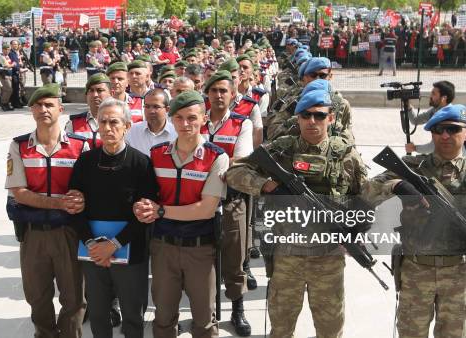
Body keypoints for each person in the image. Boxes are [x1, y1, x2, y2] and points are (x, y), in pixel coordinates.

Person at [226, 88, 368, 338]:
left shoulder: (346, 155)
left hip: (328, 258)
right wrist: (267, 185)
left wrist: (355, 229)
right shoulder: (282, 149)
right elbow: (234, 173)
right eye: (306, 115)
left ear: (331, 118)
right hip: (287, 257)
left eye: (319, 116)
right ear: (298, 118)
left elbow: (365, 199)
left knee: (330, 330)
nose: (312, 121)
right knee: (280, 329)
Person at [362, 104, 466, 338]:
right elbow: (366, 192)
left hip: (459, 273)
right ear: (431, 133)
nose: (445, 135)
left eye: (452, 129)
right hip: (416, 269)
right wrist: (396, 185)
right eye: (438, 130)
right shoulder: (411, 167)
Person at [134, 90, 229, 338]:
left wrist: (161, 211)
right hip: (163, 248)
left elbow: (206, 210)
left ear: (204, 119)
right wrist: (142, 207)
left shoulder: (216, 157)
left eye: (192, 117)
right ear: (172, 118)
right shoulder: (156, 154)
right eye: (179, 118)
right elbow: (145, 196)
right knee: (163, 318)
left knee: (204, 319)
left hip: (200, 249)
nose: (185, 124)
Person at [69, 97, 158, 338]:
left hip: (131, 251)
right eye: (103, 122)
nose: (108, 128)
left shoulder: (141, 164)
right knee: (98, 314)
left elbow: (145, 214)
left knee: (132, 315)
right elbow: (75, 208)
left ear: (127, 126)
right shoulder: (86, 162)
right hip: (93, 252)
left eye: (114, 122)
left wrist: (114, 245)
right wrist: (92, 245)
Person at [5, 84, 87, 337]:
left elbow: (87, 190)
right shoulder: (19, 146)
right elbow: (18, 192)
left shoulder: (79, 146)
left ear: (61, 109)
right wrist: (59, 203)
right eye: (38, 105)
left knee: (73, 297)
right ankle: (44, 333)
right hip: (33, 233)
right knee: (37, 295)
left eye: (49, 104)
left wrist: (81, 200)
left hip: (69, 232)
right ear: (31, 111)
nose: (44, 110)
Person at [201, 71, 254, 336]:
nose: (219, 95)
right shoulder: (195, 122)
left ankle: (238, 309)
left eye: (224, 91)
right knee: (202, 259)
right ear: (207, 94)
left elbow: (242, 161)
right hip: (198, 202)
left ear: (233, 94)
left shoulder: (241, 124)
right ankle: (206, 309)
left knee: (235, 259)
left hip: (232, 200)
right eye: (214, 91)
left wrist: (203, 167)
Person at [406, 81, 455, 154]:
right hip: (442, 155)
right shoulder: (435, 110)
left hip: (449, 160)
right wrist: (407, 105)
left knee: (406, 160)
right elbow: (415, 120)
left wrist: (415, 148)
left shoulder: (446, 117)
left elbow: (435, 147)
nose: (430, 96)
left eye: (433, 94)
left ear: (443, 98)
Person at [126, 88, 177, 156]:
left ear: (167, 109)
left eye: (156, 107)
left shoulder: (177, 133)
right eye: (147, 106)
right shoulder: (132, 131)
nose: (151, 111)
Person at [65, 73, 111, 148]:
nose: (95, 95)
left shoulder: (120, 121)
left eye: (100, 90)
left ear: (111, 93)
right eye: (91, 91)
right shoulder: (73, 123)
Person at [0, 43, 16, 111]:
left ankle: (6, 103)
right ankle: (3, 103)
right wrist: (13, 64)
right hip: (4, 75)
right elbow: (7, 66)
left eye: (8, 49)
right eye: (6, 49)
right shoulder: (1, 57)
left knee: (7, 90)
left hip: (8, 74)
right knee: (8, 89)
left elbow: (9, 66)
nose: (8, 51)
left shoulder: (7, 56)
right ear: (3, 50)